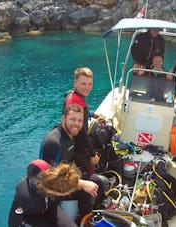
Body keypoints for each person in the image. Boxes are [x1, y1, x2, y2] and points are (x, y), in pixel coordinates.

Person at [40, 103, 98, 219]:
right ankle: (82, 219)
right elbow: (49, 179)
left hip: (68, 178)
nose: (76, 124)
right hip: (54, 191)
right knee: (87, 193)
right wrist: (81, 183)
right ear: (63, 119)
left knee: (100, 183)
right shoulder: (53, 142)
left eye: (79, 120)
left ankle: (88, 218)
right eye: (72, 119)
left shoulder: (72, 133)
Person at [62, 67, 108, 208]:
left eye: (89, 84)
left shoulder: (76, 95)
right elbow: (81, 132)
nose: (87, 87)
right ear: (75, 82)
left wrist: (92, 114)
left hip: (78, 146)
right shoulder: (73, 100)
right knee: (95, 179)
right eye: (83, 84)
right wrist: (93, 154)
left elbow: (81, 111)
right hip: (77, 149)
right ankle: (90, 208)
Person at [8, 160, 98, 227]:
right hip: (31, 217)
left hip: (50, 207)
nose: (69, 194)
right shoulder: (24, 196)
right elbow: (13, 222)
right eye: (68, 192)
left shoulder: (52, 174)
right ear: (57, 192)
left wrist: (81, 183)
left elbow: (62, 178)